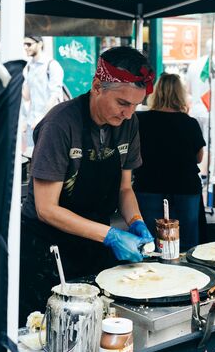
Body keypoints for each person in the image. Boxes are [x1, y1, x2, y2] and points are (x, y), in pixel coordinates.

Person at [19, 46, 155, 325]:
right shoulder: (61, 124)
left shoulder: (129, 125)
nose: (128, 114)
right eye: (122, 103)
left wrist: (136, 221)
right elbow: (46, 209)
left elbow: (125, 189)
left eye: (135, 106)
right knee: (45, 330)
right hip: (47, 249)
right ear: (97, 86)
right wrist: (111, 236)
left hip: (92, 244)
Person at [133, 73, 206, 251]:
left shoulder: (140, 120)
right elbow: (199, 158)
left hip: (148, 185)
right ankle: (189, 276)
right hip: (185, 188)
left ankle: (152, 276)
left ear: (156, 93)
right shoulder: (190, 123)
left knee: (150, 244)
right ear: (180, 95)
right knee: (187, 244)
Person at [185, 37, 215, 181]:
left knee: (194, 141)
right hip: (211, 111)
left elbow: (188, 90)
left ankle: (195, 172)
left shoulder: (193, 64)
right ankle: (204, 175)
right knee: (208, 144)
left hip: (196, 110)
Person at [22, 35, 64, 155]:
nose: (25, 47)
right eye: (24, 44)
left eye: (29, 44)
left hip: (48, 121)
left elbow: (54, 95)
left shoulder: (51, 65)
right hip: (32, 123)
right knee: (32, 157)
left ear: (40, 44)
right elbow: (27, 96)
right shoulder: (29, 66)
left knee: (48, 157)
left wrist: (41, 117)